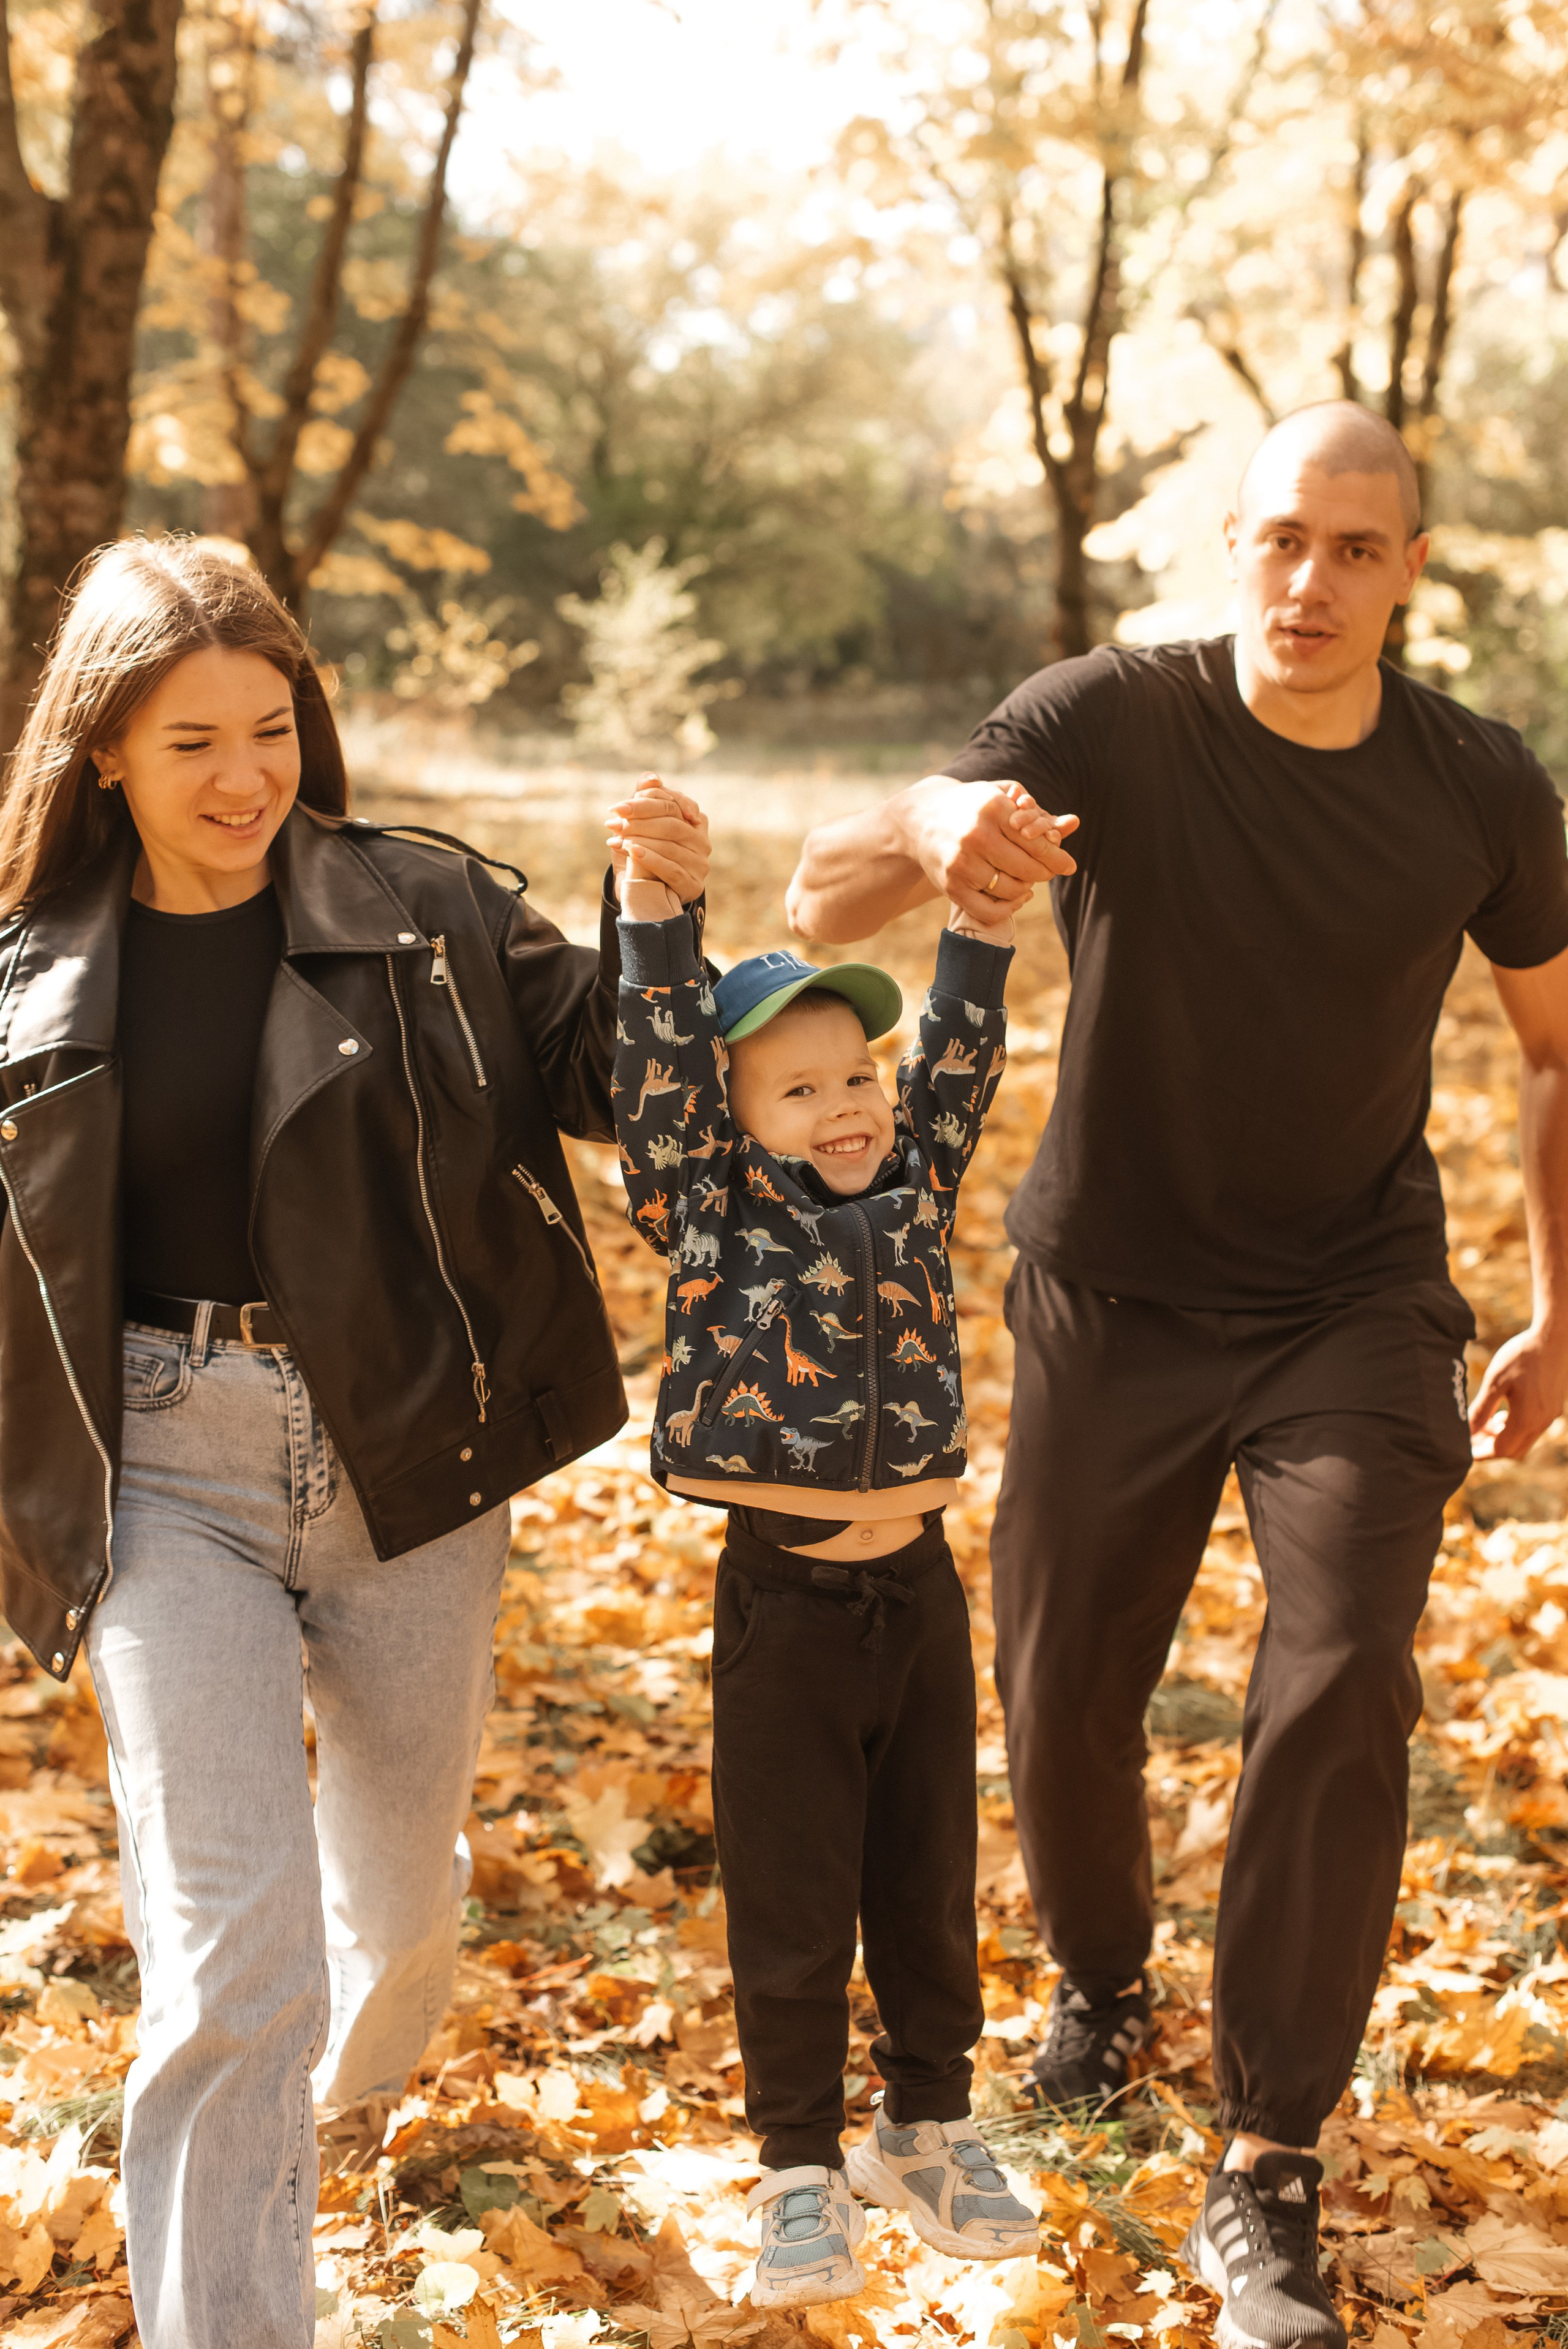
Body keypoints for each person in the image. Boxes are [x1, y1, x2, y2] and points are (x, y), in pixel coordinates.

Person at [784, 400, 1568, 2349]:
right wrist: (924, 823)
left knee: (1343, 1668)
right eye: (1283, 537)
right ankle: (1103, 1984)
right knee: (1061, 1693)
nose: (1313, 579)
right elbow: (817, 905)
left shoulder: (1480, 783)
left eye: (1358, 548)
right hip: (1112, 1293)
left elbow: (1559, 1047)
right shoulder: (1109, 720)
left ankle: (1270, 2154)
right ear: (1234, 544)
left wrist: (1561, 1310)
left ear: (1410, 572)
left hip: (1355, 1300)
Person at [0, 538, 709, 2349]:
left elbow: (625, 1089)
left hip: (410, 1454)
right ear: (103, 750)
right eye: (191, 744)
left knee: (390, 1914)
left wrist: (655, 922)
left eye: (270, 728)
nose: (246, 778)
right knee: (231, 1957)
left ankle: (335, 2090)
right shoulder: (25, 975)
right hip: (163, 1471)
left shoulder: (426, 906)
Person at [610, 779, 1052, 2308]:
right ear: (731, 1120)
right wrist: (655, 917)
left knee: (927, 1882)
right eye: (794, 1089)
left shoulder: (913, 1178)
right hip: (784, 1608)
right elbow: (659, 1079)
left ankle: (924, 2124)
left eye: (853, 1072)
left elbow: (960, 1060)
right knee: (794, 1899)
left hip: (917, 1596)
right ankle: (796, 2164)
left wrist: (977, 931)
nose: (844, 1103)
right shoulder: (711, 1210)